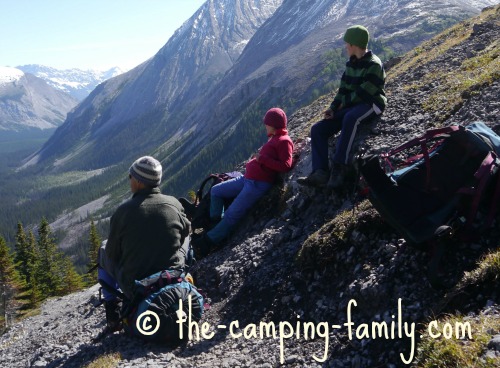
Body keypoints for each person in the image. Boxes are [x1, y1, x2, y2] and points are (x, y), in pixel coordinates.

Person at [98, 156, 191, 331]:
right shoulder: (174, 204)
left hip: (137, 287)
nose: (130, 180)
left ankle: (113, 313)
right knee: (188, 238)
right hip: (171, 277)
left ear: (139, 182)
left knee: (103, 249)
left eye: (130, 176)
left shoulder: (123, 212)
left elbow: (112, 254)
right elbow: (185, 232)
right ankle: (187, 278)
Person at [192, 107, 294, 257]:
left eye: (267, 123)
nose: (265, 125)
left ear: (273, 124)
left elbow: (286, 165)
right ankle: (215, 225)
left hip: (258, 184)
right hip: (247, 178)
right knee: (216, 191)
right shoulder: (274, 138)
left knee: (232, 214)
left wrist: (261, 159)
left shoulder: (284, 141)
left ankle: (208, 242)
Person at [297, 25, 387, 188]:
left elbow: (363, 93)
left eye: (347, 43)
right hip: (353, 105)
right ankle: (320, 172)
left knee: (350, 118)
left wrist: (342, 105)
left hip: (371, 104)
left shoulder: (374, 64)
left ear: (354, 45)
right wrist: (333, 107)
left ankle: (340, 168)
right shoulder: (350, 64)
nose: (345, 47)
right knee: (318, 129)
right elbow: (343, 90)